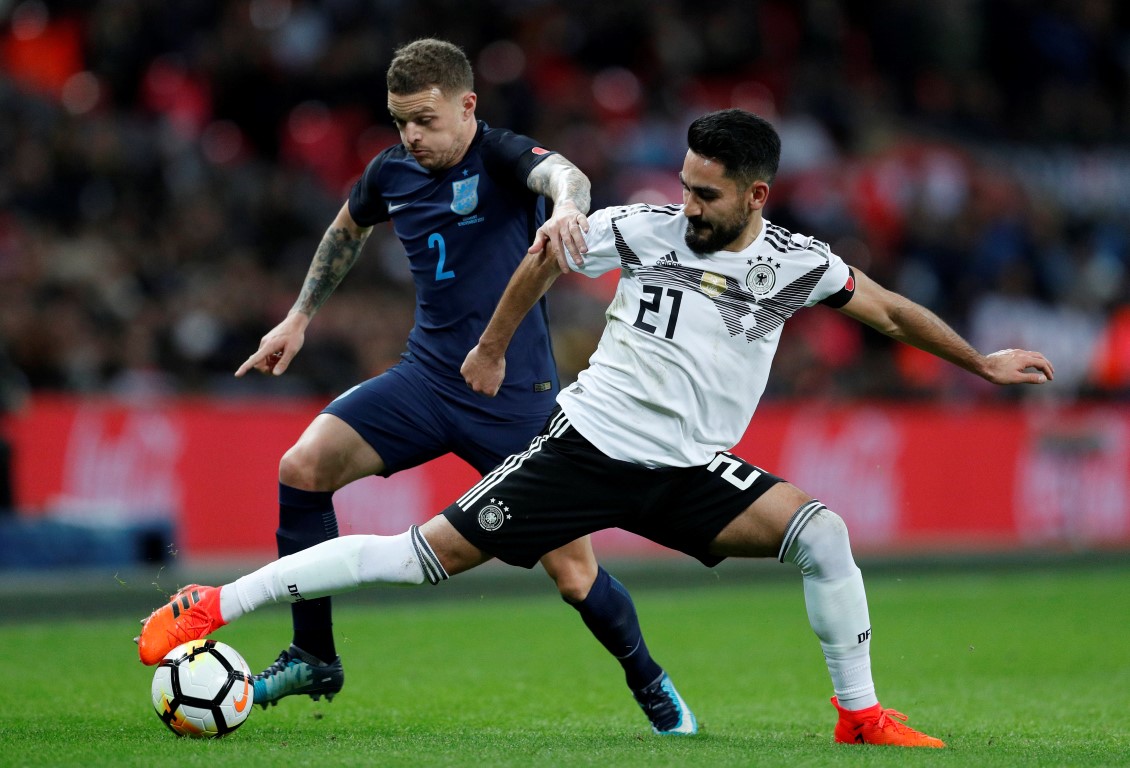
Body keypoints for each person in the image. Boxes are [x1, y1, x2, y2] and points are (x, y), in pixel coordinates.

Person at [138, 108, 1055, 746]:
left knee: (825, 536)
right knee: (422, 557)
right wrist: (494, 346)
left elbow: (889, 311)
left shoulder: (797, 264)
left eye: (707, 195)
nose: (689, 206)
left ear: (758, 196)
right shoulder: (641, 230)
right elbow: (546, 251)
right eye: (687, 187)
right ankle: (215, 605)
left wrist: (981, 363)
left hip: (690, 470)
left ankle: (858, 716)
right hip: (579, 449)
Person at [174, 38, 696, 735]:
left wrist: (569, 207)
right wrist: (298, 318)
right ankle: (313, 654)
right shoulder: (392, 172)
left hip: (515, 401)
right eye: (400, 122)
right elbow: (345, 229)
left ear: (466, 105)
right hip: (426, 381)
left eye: (425, 119)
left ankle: (651, 682)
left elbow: (564, 176)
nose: (412, 136)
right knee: (302, 468)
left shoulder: (504, 156)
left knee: (574, 577)